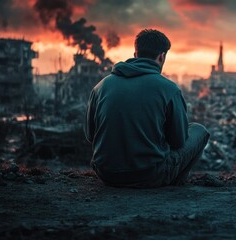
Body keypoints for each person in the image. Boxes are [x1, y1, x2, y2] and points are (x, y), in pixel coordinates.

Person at [85, 29, 210, 188]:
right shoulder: (169, 89)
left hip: (106, 174)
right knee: (199, 130)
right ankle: (176, 183)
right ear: (162, 56)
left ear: (135, 54)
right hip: (150, 175)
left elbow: (90, 135)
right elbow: (178, 141)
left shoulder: (100, 86)